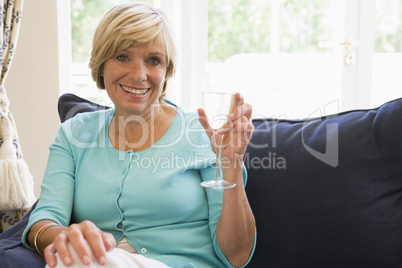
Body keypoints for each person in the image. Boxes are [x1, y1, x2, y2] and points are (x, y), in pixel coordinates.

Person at [22, 2, 256, 268]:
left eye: (153, 60)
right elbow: (43, 221)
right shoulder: (74, 134)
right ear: (102, 64)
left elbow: (236, 256)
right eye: (123, 57)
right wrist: (65, 236)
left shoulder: (202, 133)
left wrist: (231, 164)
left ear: (166, 72)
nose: (139, 74)